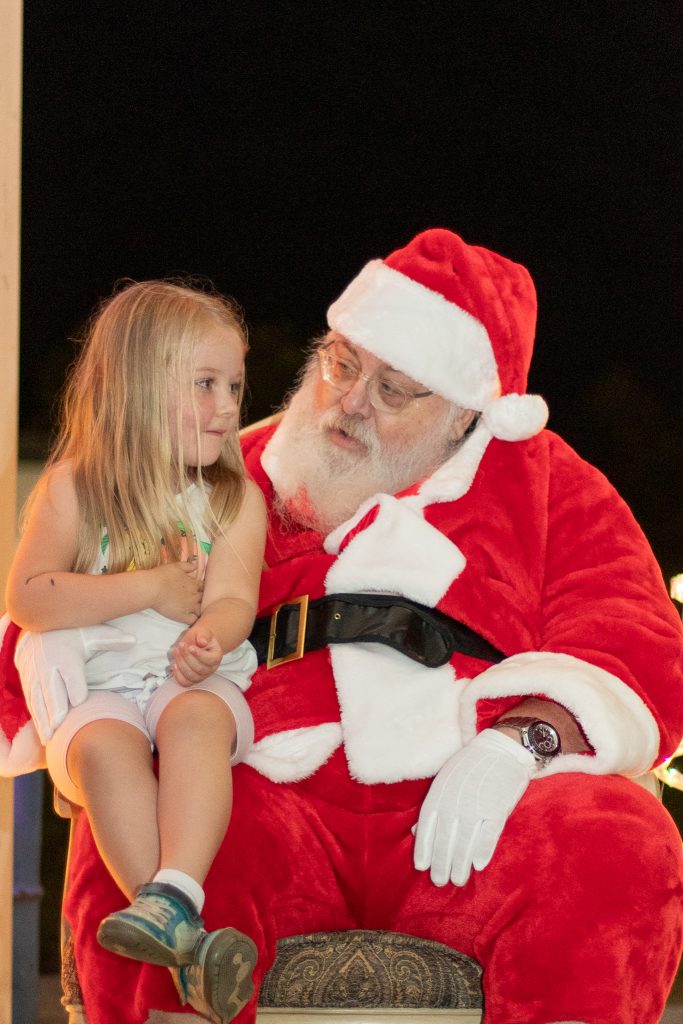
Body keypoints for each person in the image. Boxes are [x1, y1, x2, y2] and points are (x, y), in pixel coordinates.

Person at [1, 229, 682, 1024]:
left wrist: (522, 742)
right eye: (342, 363)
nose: (351, 400)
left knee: (615, 842)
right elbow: (80, 576)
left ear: (465, 411)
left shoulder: (550, 486)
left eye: (394, 389)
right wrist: (54, 690)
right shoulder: (228, 471)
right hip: (265, 777)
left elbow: (634, 639)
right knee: (155, 833)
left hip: (469, 795)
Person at [3, 280, 266, 1020]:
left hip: (192, 679)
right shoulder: (74, 489)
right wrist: (148, 587)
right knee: (102, 748)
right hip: (100, 688)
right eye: (205, 385)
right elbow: (32, 596)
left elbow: (235, 595)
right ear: (140, 389)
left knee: (196, 722)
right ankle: (188, 945)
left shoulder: (231, 498)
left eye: (236, 387)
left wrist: (211, 634)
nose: (227, 408)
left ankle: (172, 894)